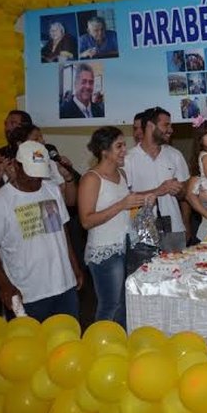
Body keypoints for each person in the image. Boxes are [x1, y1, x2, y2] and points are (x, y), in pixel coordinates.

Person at [0, 141, 83, 321]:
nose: (36, 180)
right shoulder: (1, 202)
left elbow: (62, 230)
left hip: (64, 285)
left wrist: (74, 266)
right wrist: (5, 285)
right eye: (31, 175)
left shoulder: (52, 190)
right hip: (28, 293)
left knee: (67, 341)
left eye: (40, 175)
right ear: (17, 167)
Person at [78, 127, 152, 327]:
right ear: (104, 151)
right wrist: (122, 205)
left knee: (125, 304)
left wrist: (143, 203)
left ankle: (119, 345)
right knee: (110, 304)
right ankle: (101, 348)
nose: (124, 151)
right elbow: (86, 221)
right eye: (118, 146)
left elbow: (126, 212)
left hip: (125, 246)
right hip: (105, 251)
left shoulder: (122, 174)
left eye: (124, 145)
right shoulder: (91, 178)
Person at [124, 107, 189, 235]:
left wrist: (179, 190)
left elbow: (184, 195)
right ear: (150, 126)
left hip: (174, 228)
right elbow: (124, 198)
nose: (171, 130)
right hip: (141, 231)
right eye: (166, 125)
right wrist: (158, 191)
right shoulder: (127, 159)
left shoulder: (175, 155)